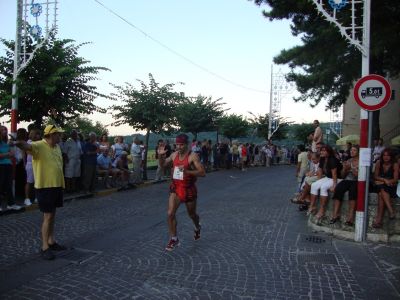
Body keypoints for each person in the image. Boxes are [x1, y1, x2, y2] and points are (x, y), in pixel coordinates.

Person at [13, 124, 67, 260]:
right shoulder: (39, 145)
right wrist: (17, 142)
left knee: (52, 215)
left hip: (56, 186)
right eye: (58, 134)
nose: (60, 136)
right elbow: (27, 147)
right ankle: (44, 247)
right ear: (51, 135)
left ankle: (51, 241)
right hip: (45, 187)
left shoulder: (57, 147)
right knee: (47, 217)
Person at [163, 134, 206, 251]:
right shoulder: (173, 155)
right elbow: (163, 166)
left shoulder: (193, 156)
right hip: (176, 188)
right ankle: (174, 238)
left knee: (192, 214)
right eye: (177, 144)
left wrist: (187, 171)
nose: (179, 147)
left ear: (186, 145)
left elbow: (202, 173)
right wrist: (161, 156)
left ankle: (197, 227)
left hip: (188, 189)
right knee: (170, 213)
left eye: (181, 145)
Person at [308, 145, 342, 224]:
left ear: (329, 152)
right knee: (314, 185)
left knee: (323, 187)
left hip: (337, 179)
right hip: (328, 177)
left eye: (324, 151)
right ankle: (312, 205)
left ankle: (322, 209)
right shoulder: (323, 159)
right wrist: (319, 181)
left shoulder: (333, 160)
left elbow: (334, 174)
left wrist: (334, 185)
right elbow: (320, 170)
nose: (321, 152)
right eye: (321, 150)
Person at [330, 145, 359, 225]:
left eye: (354, 150)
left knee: (353, 192)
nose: (352, 152)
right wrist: (345, 169)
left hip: (356, 181)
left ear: (359, 152)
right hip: (347, 180)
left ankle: (350, 217)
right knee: (338, 189)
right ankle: (335, 214)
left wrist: (351, 169)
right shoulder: (349, 160)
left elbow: (359, 176)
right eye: (351, 150)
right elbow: (342, 176)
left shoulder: (361, 161)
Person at [372, 148, 399, 228]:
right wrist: (384, 180)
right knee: (382, 189)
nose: (386, 157)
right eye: (384, 155)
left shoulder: (395, 164)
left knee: (381, 193)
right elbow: (375, 176)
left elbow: (395, 179)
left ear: (391, 156)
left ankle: (378, 221)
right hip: (381, 184)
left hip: (391, 185)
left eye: (388, 155)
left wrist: (388, 182)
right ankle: (391, 211)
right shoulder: (378, 163)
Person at [0, 126, 23, 212]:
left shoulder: (7, 142)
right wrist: (7, 154)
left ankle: (11, 204)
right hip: (1, 166)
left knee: (9, 186)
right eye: (2, 130)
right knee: (1, 186)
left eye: (5, 130)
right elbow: (7, 154)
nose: (5, 131)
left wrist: (7, 154)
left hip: (8, 165)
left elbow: (13, 153)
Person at [24, 128, 41, 206]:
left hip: (37, 164)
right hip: (31, 164)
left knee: (37, 182)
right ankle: (27, 199)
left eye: (38, 134)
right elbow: (29, 152)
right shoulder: (29, 142)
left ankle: (36, 197)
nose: (38, 136)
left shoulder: (38, 143)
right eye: (36, 134)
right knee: (29, 182)